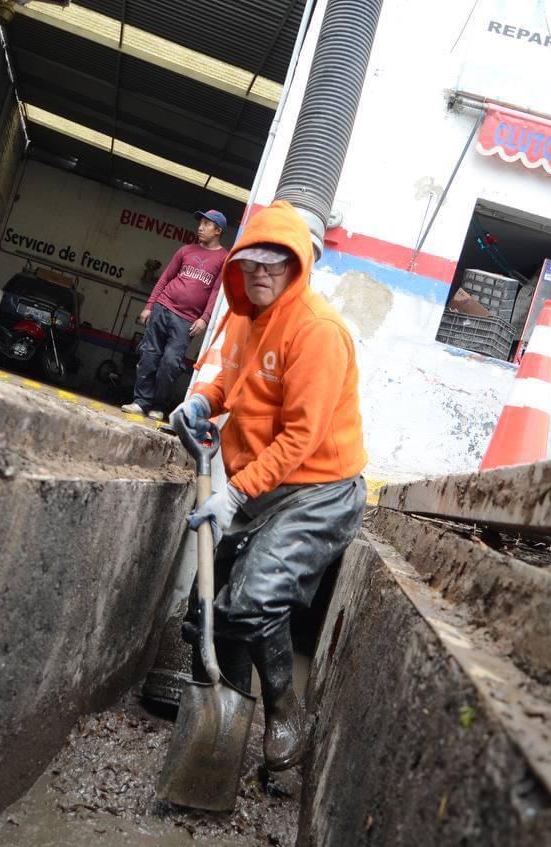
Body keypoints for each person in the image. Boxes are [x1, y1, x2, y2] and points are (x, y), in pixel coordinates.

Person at [172, 200, 367, 772]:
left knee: (254, 599)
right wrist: (201, 400)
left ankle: (285, 709)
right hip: (261, 481)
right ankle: (219, 733)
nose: (261, 273)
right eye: (251, 262)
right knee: (208, 608)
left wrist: (233, 493)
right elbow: (224, 372)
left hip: (320, 488)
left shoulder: (319, 331)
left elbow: (303, 437)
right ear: (236, 265)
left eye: (275, 264)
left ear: (298, 266)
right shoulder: (240, 312)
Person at [121, 210, 229, 420]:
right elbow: (165, 278)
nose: (200, 227)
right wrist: (149, 306)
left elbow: (217, 291)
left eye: (206, 224)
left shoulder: (223, 258)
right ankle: (140, 402)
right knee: (149, 356)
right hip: (163, 307)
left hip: (187, 320)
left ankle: (159, 406)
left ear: (218, 230)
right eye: (200, 223)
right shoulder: (185, 250)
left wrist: (205, 318)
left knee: (170, 362)